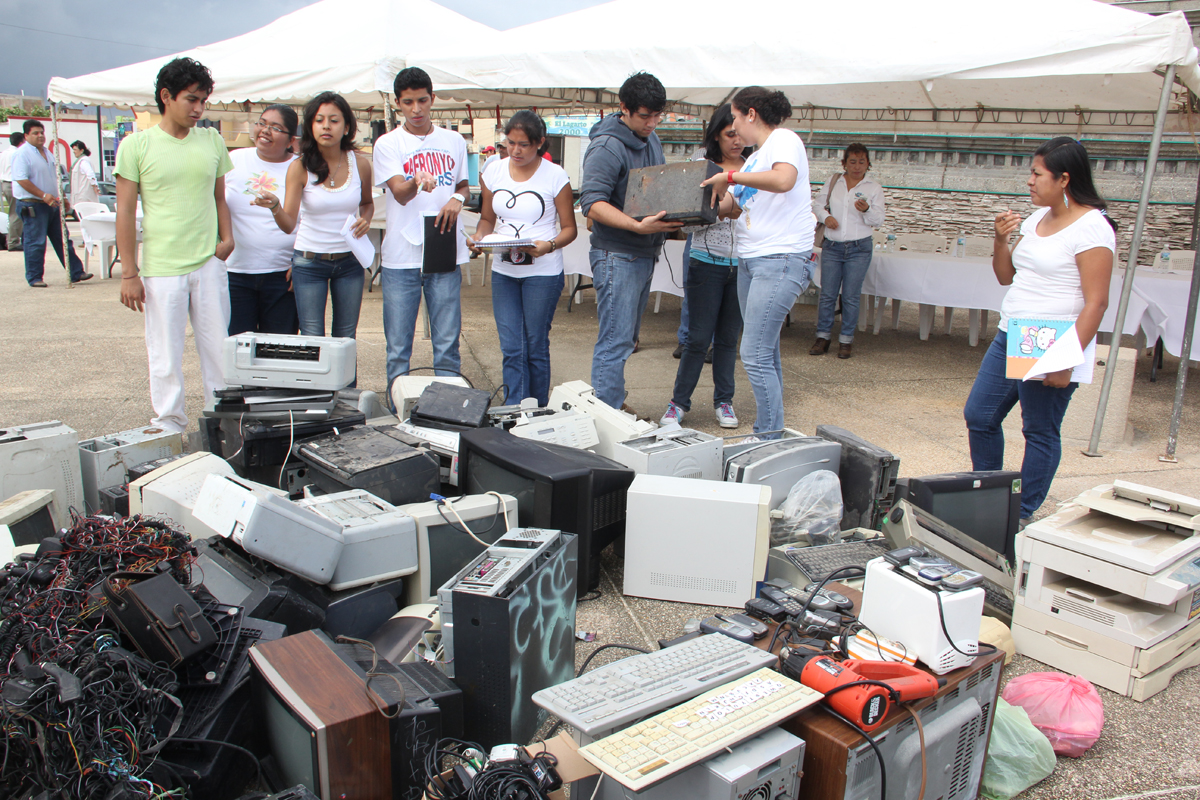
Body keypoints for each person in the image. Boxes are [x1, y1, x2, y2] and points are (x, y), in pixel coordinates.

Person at [963, 137, 1114, 523]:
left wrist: (1066, 360)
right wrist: (1001, 239)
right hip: (1012, 331)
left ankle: (1020, 511)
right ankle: (990, 495)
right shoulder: (1036, 219)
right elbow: (1005, 276)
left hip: (1053, 339)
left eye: (1037, 173)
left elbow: (1096, 302)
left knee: (1040, 430)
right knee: (980, 415)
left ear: (1064, 179)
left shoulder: (1092, 229)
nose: (1029, 181)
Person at [114, 57, 234, 434]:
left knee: (218, 350)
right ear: (166, 96)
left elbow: (219, 198)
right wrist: (129, 272)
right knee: (165, 355)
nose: (199, 109)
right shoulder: (136, 145)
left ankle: (223, 423)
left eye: (203, 101)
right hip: (162, 267)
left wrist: (226, 240)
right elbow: (125, 212)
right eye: (191, 100)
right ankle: (169, 425)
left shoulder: (212, 140)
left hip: (208, 262)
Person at [703, 87, 815, 437]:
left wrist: (730, 176)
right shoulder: (755, 158)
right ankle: (772, 432)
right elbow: (730, 207)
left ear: (751, 113)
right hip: (752, 261)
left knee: (752, 353)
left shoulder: (784, 139)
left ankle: (768, 434)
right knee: (765, 353)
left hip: (779, 259)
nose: (734, 128)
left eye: (735, 118)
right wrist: (687, 211)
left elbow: (784, 180)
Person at [579, 71, 683, 408]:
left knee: (627, 339)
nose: (652, 123)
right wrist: (636, 226)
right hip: (617, 254)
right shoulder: (607, 146)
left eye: (657, 115)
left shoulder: (649, 137)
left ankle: (611, 402)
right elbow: (592, 204)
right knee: (615, 341)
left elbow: (654, 187)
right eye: (645, 116)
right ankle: (607, 412)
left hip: (643, 251)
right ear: (624, 108)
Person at [468, 110, 577, 406]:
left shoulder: (555, 176)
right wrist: (480, 240)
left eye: (523, 145)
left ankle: (538, 409)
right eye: (510, 143)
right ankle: (515, 410)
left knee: (535, 346)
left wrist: (549, 245)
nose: (515, 150)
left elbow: (570, 229)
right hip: (504, 270)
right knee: (512, 348)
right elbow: (487, 220)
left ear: (539, 143)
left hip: (542, 272)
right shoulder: (494, 171)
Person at [373, 67, 470, 390]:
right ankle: (398, 412)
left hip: (442, 252)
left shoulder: (453, 140)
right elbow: (399, 194)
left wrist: (457, 198)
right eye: (408, 102)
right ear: (398, 103)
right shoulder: (388, 144)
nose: (416, 109)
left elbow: (464, 186)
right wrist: (416, 180)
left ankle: (447, 414)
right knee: (399, 349)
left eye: (422, 101)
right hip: (401, 257)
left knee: (447, 346)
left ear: (433, 99)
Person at [253, 92, 373, 341]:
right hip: (309, 264)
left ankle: (346, 384)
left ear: (347, 126)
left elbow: (367, 204)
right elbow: (288, 225)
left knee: (345, 338)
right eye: (319, 120)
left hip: (350, 263)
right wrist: (275, 206)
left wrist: (366, 219)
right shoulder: (299, 167)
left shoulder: (359, 164)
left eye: (334, 120)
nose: (326, 126)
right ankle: (318, 383)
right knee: (312, 339)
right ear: (310, 126)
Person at [661, 104, 746, 429]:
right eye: (729, 135)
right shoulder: (702, 167)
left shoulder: (753, 168)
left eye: (740, 134)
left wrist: (735, 208)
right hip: (705, 262)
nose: (736, 141)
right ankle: (678, 404)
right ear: (715, 134)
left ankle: (724, 401)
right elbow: (688, 222)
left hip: (741, 265)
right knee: (697, 339)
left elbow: (758, 216)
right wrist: (722, 210)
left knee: (727, 339)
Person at [225, 105, 301, 335]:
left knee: (278, 352)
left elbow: (311, 218)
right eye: (262, 123)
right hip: (235, 273)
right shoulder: (235, 159)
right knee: (237, 349)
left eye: (276, 128)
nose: (265, 131)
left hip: (282, 276)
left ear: (290, 140)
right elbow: (216, 204)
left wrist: (301, 262)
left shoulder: (300, 167)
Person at [810, 143, 885, 359]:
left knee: (851, 296)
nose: (857, 166)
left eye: (862, 162)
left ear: (868, 164)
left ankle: (846, 340)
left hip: (859, 247)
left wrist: (867, 210)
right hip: (833, 246)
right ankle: (822, 336)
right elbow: (817, 205)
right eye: (852, 161)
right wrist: (827, 218)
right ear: (844, 163)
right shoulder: (835, 182)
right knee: (827, 294)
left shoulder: (874, 188)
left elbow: (878, 220)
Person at [12, 120, 92, 288]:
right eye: (35, 133)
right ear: (26, 135)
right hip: (33, 204)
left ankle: (76, 272)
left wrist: (61, 196)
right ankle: (35, 277)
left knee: (62, 239)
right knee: (36, 242)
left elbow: (54, 177)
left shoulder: (48, 153)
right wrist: (42, 195)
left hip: (52, 203)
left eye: (41, 132)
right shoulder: (23, 153)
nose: (40, 136)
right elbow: (21, 179)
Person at [2, 132, 25, 251]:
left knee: (13, 212)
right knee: (16, 214)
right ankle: (13, 242)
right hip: (13, 184)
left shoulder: (4, 153)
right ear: (21, 142)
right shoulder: (17, 153)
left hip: (5, 183)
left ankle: (14, 239)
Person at [69, 141, 100, 210]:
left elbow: (90, 173)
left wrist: (95, 186)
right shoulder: (80, 161)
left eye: (75, 149)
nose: (74, 152)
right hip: (81, 195)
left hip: (83, 196)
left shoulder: (83, 161)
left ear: (81, 150)